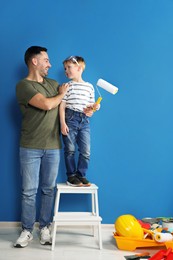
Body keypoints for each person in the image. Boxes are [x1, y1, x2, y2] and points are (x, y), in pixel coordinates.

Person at [14, 46, 69, 248]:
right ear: (34, 61)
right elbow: (46, 104)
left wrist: (89, 108)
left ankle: (44, 227)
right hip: (30, 146)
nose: (50, 64)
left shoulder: (53, 84)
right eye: (46, 60)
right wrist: (61, 95)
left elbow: (65, 103)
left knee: (48, 189)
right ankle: (27, 231)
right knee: (29, 191)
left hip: (53, 146)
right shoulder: (23, 86)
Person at [59, 55, 100, 187]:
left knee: (86, 151)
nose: (66, 71)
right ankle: (71, 176)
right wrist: (62, 123)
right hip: (70, 119)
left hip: (84, 121)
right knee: (70, 149)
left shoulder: (89, 87)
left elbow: (90, 109)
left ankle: (81, 175)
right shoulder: (67, 86)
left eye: (69, 67)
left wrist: (94, 108)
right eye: (65, 69)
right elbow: (62, 106)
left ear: (79, 68)